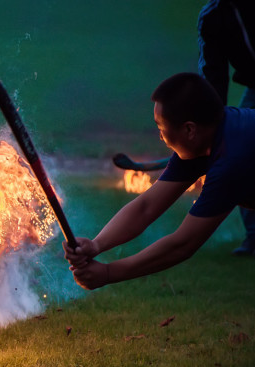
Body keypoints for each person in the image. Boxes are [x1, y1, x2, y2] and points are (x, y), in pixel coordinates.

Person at [63, 72, 255, 290]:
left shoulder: (231, 160)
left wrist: (108, 273)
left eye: (161, 127)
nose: (160, 136)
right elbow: (146, 207)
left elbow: (183, 244)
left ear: (189, 129)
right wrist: (96, 244)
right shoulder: (206, 138)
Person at [198, 0, 255, 256]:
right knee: (239, 152)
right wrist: (212, 129)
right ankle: (254, 236)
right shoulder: (213, 16)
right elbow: (213, 74)